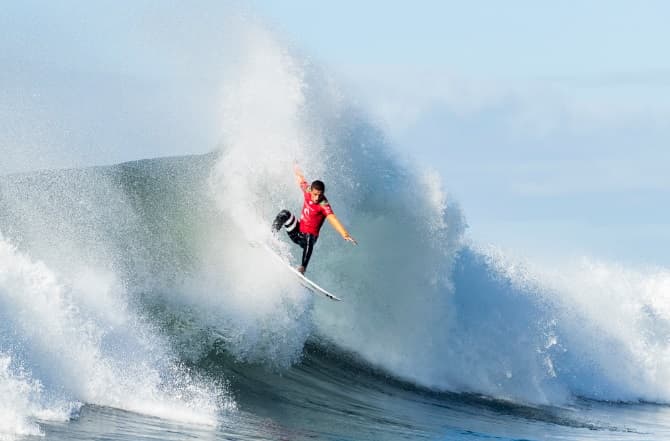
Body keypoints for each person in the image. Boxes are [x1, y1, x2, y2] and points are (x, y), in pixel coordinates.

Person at [272, 165, 357, 274]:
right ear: (311, 191)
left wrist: (344, 234)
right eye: (315, 194)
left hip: (307, 241)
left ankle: (302, 268)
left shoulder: (323, 205)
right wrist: (294, 166)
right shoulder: (307, 191)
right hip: (297, 232)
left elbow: (333, 219)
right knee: (284, 213)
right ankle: (271, 236)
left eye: (320, 195)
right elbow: (300, 179)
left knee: (310, 236)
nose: (317, 198)